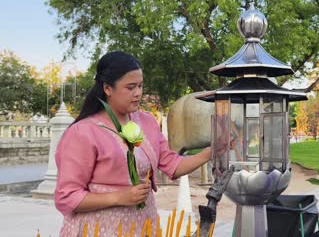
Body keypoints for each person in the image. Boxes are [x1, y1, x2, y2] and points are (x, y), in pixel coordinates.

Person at [54, 51, 211, 236]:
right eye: (130, 87)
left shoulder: (146, 122)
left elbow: (172, 165)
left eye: (140, 86)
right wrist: (118, 197)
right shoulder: (83, 132)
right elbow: (66, 197)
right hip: (100, 229)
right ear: (107, 88)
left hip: (142, 225)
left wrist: (212, 151)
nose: (137, 93)